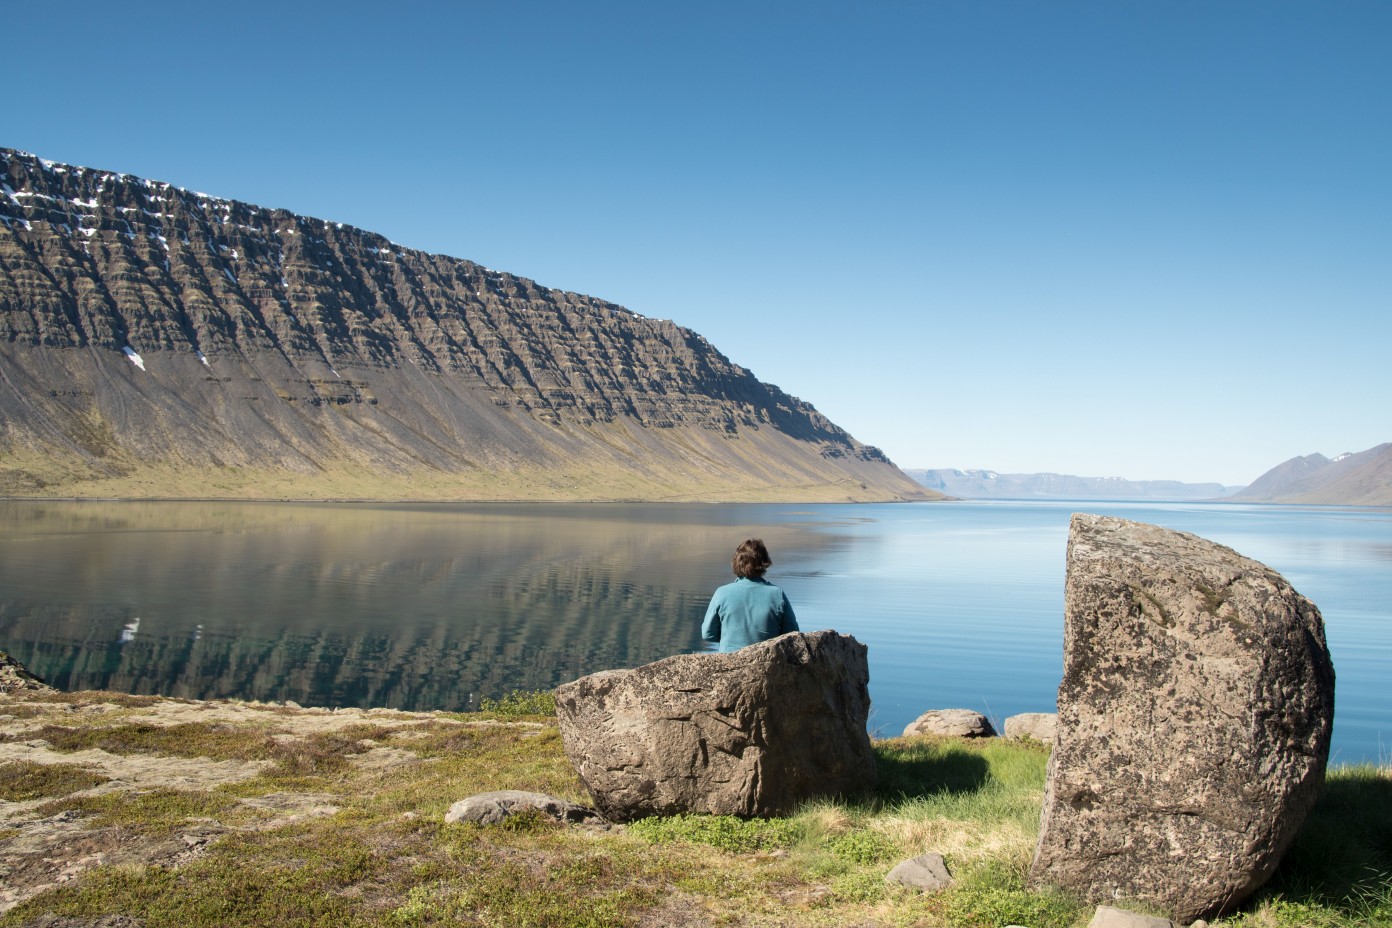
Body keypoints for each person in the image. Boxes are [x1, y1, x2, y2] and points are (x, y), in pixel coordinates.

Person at [700, 538, 799, 652]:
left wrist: (728, 638)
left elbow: (708, 634)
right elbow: (792, 634)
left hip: (730, 660)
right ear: (764, 562)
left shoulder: (722, 593)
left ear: (736, 562)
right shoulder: (777, 595)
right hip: (766, 660)